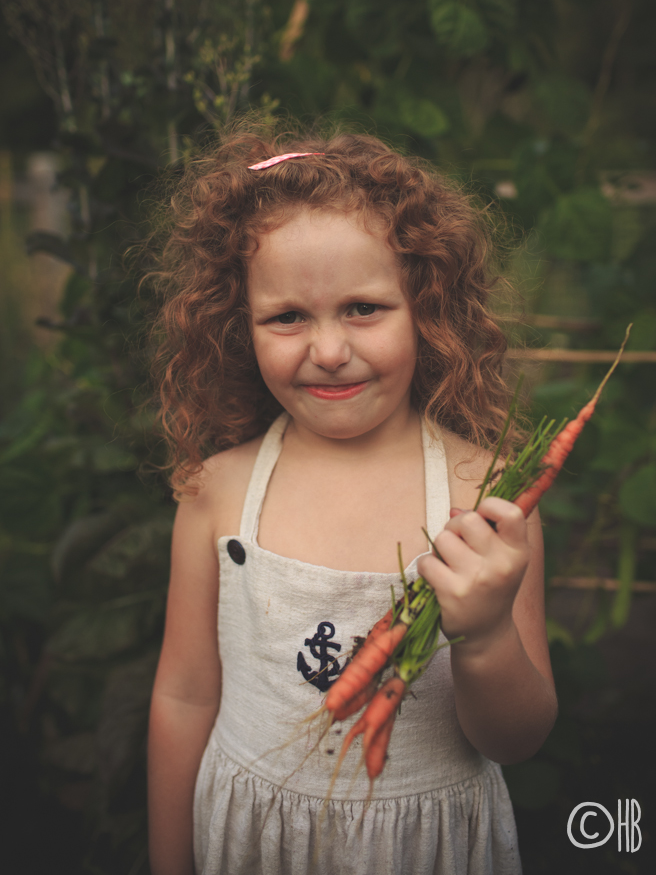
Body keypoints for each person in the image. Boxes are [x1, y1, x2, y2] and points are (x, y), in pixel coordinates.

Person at [147, 129, 558, 875]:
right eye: (288, 318)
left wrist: (489, 633)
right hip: (249, 843)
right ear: (240, 326)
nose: (329, 349)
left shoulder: (488, 498)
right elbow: (182, 697)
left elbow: (517, 741)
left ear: (425, 310)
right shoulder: (218, 492)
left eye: (364, 309)